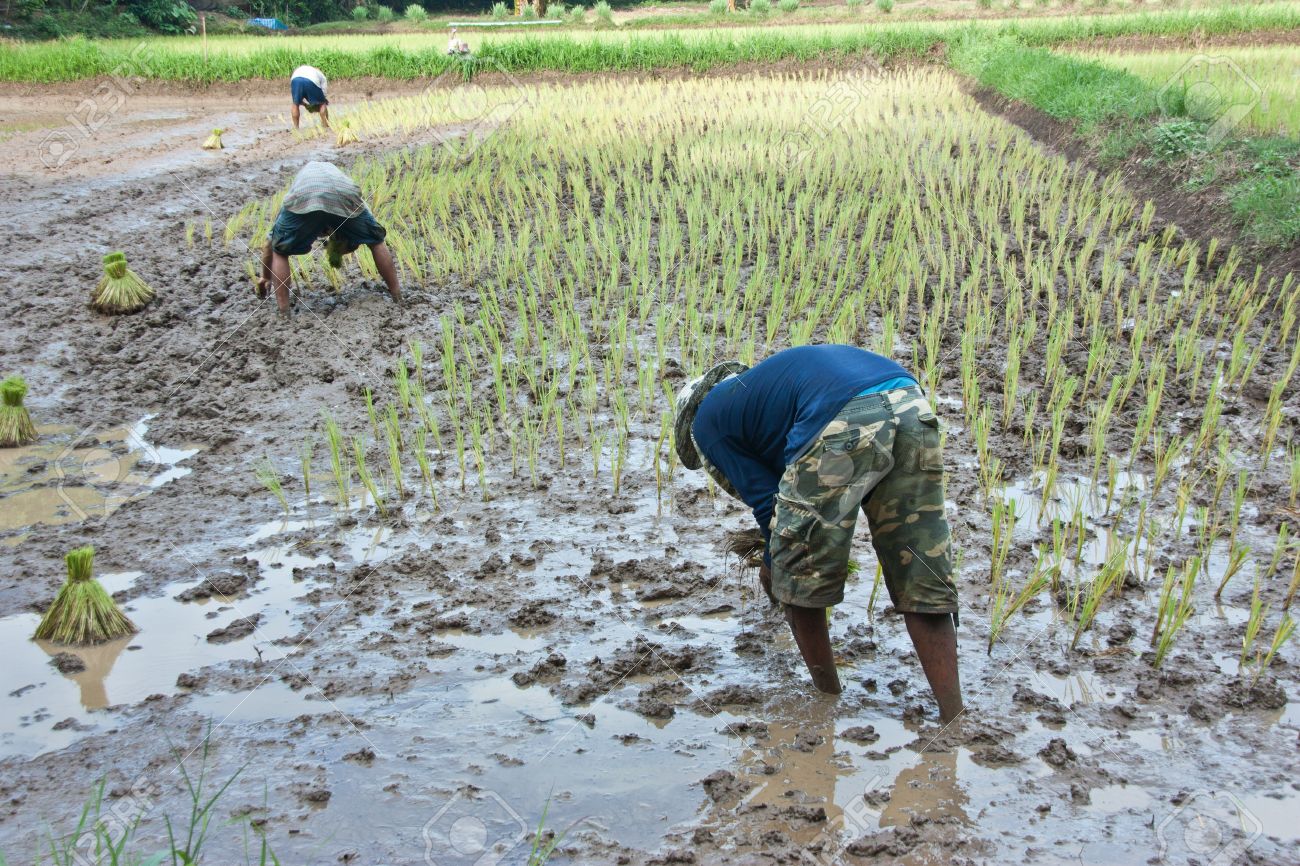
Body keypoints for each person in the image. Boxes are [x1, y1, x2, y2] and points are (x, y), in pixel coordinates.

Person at [674, 344, 963, 723]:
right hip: (910, 402)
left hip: (843, 416)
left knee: (797, 573)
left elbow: (768, 506)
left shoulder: (706, 421)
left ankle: (826, 703)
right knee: (919, 563)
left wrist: (772, 559)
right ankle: (954, 717)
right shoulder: (760, 397)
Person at [257, 161, 402, 316]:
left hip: (305, 196)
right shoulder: (339, 183)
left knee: (280, 251)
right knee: (376, 241)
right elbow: (374, 234)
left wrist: (265, 277)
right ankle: (397, 295)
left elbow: (270, 243)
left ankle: (284, 312)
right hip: (344, 193)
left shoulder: (298, 189)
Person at [290, 64, 330, 130]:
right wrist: (323, 100)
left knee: (295, 104)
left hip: (295, 79)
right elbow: (324, 93)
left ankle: (296, 128)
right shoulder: (321, 75)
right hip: (312, 80)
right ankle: (326, 125)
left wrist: (305, 104)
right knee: (322, 104)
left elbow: (297, 96)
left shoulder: (299, 70)